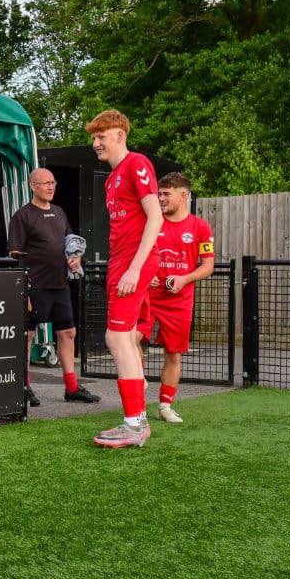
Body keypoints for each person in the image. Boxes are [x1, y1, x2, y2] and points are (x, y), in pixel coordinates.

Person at [85, 109, 163, 448]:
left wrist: (135, 267)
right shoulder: (111, 178)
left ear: (120, 135)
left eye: (101, 136)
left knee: (116, 338)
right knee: (126, 337)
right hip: (120, 262)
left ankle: (134, 423)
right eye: (94, 137)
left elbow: (156, 217)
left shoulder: (136, 163)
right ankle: (137, 418)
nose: (96, 143)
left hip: (132, 262)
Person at [8, 167, 100, 407]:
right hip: (34, 287)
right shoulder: (22, 216)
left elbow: (71, 243)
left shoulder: (59, 212)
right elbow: (14, 255)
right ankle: (24, 387)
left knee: (68, 333)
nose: (50, 187)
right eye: (45, 183)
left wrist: (76, 259)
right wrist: (23, 291)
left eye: (53, 183)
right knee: (27, 336)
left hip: (60, 285)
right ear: (33, 186)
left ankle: (72, 388)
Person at [138, 172, 215, 423]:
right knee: (130, 338)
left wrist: (184, 279)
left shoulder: (200, 227)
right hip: (148, 296)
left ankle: (165, 406)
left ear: (183, 196)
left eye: (166, 194)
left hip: (180, 301)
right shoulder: (151, 222)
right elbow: (137, 254)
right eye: (159, 194)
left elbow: (208, 266)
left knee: (173, 354)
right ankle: (137, 378)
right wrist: (145, 273)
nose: (160, 198)